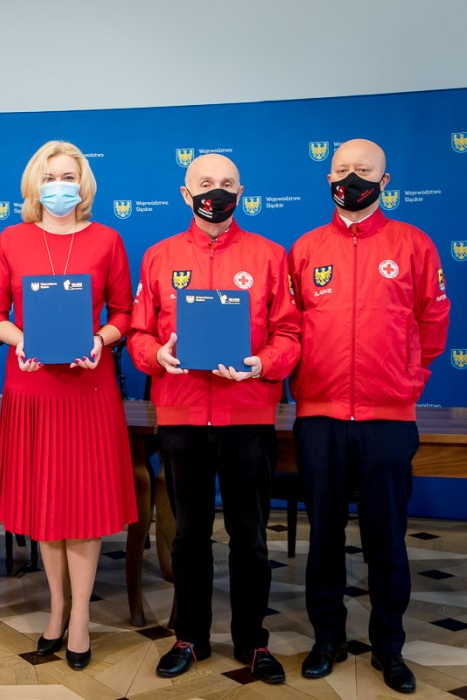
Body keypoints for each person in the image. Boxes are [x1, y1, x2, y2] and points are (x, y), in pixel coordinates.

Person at [128, 153, 300, 684]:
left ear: (241, 193)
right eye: (205, 183)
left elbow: (290, 335)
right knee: (189, 535)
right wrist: (157, 355)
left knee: (250, 537)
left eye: (227, 183)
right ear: (186, 193)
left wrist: (261, 364)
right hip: (181, 415)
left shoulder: (270, 256)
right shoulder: (159, 257)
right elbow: (138, 335)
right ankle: (190, 637)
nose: (215, 192)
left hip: (247, 416)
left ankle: (252, 641)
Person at [289, 138, 450, 694]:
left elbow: (433, 323)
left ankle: (389, 646)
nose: (350, 178)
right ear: (328, 178)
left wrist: (407, 380)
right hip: (321, 416)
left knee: (387, 537)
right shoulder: (306, 248)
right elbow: (289, 328)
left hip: (387, 417)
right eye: (341, 169)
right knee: (325, 536)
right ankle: (326, 639)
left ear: (384, 182)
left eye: (363, 170)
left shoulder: (413, 244)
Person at [0, 140, 137, 671]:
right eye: (49, 177)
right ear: (34, 185)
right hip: (33, 390)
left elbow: (123, 313)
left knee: (84, 507)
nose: (59, 186)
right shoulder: (12, 239)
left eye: (68, 176)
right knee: (47, 508)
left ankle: (80, 620)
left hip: (88, 390)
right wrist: (20, 340)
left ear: (83, 184)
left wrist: (100, 339)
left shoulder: (107, 239)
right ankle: (56, 609)